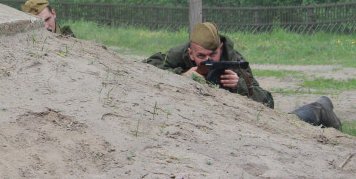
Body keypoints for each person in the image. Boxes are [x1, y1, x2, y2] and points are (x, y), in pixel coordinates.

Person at [145, 22, 341, 129]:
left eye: (213, 55)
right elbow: (145, 69)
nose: (207, 61)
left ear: (221, 48)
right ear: (190, 53)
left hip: (246, 122)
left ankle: (318, 110)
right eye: (201, 56)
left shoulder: (234, 61)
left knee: (285, 125)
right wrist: (182, 75)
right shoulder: (178, 55)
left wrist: (239, 85)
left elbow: (267, 102)